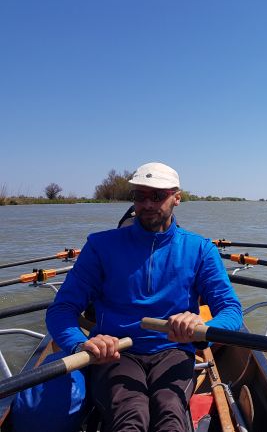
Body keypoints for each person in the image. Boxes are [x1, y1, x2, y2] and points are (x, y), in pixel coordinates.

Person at [46, 162, 243, 432]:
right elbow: (62, 309)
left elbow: (231, 310)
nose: (147, 204)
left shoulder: (200, 250)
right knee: (131, 413)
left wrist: (202, 330)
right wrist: (81, 345)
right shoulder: (100, 246)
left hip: (173, 351)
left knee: (170, 411)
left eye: (157, 196)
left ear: (177, 198)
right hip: (116, 352)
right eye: (140, 196)